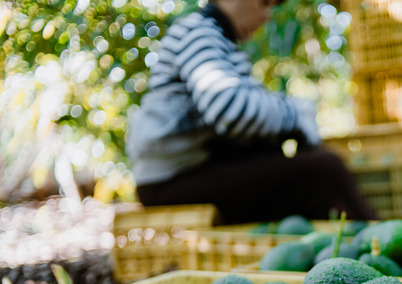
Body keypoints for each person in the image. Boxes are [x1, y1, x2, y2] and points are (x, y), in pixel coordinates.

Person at [125, 0, 377, 224]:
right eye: (264, 3)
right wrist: (295, 114)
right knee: (324, 171)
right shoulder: (198, 31)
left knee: (287, 163)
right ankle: (380, 252)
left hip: (195, 170)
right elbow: (230, 109)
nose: (268, 15)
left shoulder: (220, 40)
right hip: (172, 181)